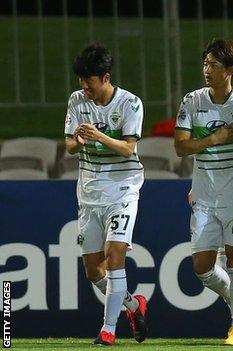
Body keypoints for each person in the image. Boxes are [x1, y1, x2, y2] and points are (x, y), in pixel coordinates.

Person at [64, 43, 147, 346]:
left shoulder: (130, 104)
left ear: (106, 77)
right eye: (81, 80)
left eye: (89, 80)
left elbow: (128, 148)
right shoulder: (77, 100)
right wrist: (79, 139)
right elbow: (69, 146)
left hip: (122, 188)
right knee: (92, 270)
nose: (84, 86)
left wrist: (99, 135)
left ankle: (108, 329)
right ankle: (134, 306)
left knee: (114, 258)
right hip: (88, 192)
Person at [174, 38, 233, 346]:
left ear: (231, 70)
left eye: (214, 65)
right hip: (204, 193)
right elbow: (181, 146)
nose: (207, 70)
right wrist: (215, 138)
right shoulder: (192, 101)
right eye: (205, 64)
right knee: (202, 267)